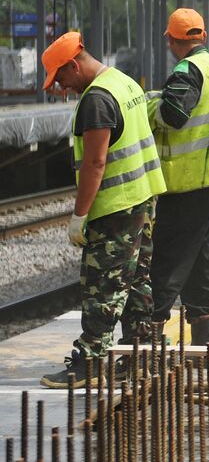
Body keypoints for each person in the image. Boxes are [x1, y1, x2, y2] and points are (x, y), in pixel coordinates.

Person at [40, 32, 166, 388]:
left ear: (73, 65)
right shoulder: (123, 82)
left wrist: (79, 215)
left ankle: (91, 361)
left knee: (103, 285)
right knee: (137, 279)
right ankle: (145, 352)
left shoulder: (96, 99)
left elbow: (95, 164)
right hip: (143, 198)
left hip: (116, 207)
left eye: (60, 78)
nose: (62, 87)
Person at [147, 8, 209, 347]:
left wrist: (151, 107)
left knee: (167, 256)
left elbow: (174, 114)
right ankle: (204, 340)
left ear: (172, 41)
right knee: (204, 255)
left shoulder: (187, 70)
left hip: (190, 178)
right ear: (202, 36)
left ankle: (146, 343)